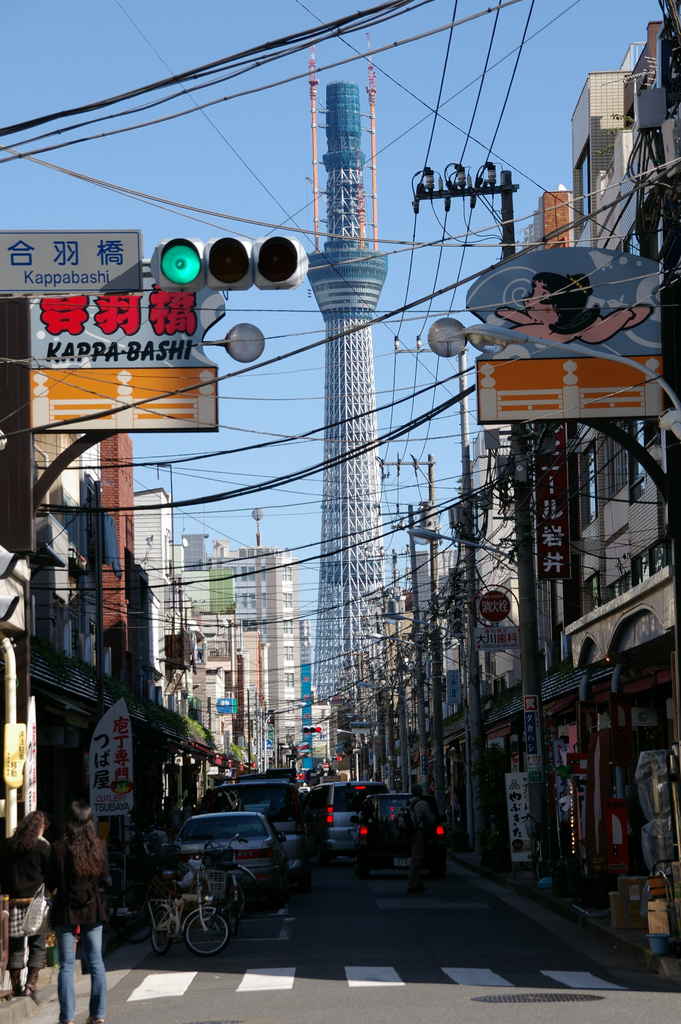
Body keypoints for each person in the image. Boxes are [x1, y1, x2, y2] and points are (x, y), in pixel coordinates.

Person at [46, 800, 109, 1024]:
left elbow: (50, 881)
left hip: (65, 909)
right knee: (96, 961)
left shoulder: (58, 849)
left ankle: (67, 1018)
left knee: (66, 965)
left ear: (69, 823)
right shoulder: (99, 847)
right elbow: (104, 880)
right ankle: (97, 1014)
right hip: (92, 907)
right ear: (89, 822)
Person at [0, 810, 50, 999]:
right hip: (36, 903)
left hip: (11, 903)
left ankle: (16, 986)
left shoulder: (6, 845)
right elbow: (50, 875)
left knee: (15, 945)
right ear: (41, 827)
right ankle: (30, 985)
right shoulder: (43, 847)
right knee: (38, 944)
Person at [406, 784, 435, 895]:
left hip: (407, 833)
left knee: (416, 858)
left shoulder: (407, 803)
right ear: (421, 792)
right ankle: (412, 885)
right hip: (418, 832)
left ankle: (418, 882)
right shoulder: (423, 804)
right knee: (417, 859)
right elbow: (431, 819)